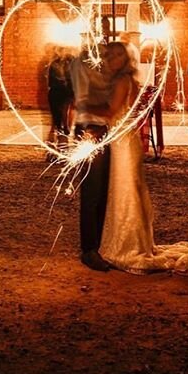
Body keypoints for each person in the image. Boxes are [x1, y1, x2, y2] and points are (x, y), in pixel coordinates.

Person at [91, 42, 188, 280]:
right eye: (110, 56)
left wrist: (83, 105)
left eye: (117, 56)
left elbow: (111, 111)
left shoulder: (121, 81)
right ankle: (133, 240)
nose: (112, 60)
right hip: (125, 137)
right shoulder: (129, 79)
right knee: (128, 191)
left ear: (123, 58)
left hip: (122, 141)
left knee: (127, 191)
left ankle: (129, 245)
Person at [69, 40, 112, 272]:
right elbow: (83, 99)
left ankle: (98, 243)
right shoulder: (82, 63)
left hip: (102, 128)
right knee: (92, 191)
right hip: (90, 128)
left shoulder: (96, 64)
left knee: (102, 190)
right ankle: (89, 249)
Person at [46, 47, 74, 148]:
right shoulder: (54, 64)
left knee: (63, 112)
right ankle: (60, 130)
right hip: (57, 91)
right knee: (58, 114)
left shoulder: (70, 62)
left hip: (64, 91)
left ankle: (63, 131)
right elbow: (51, 80)